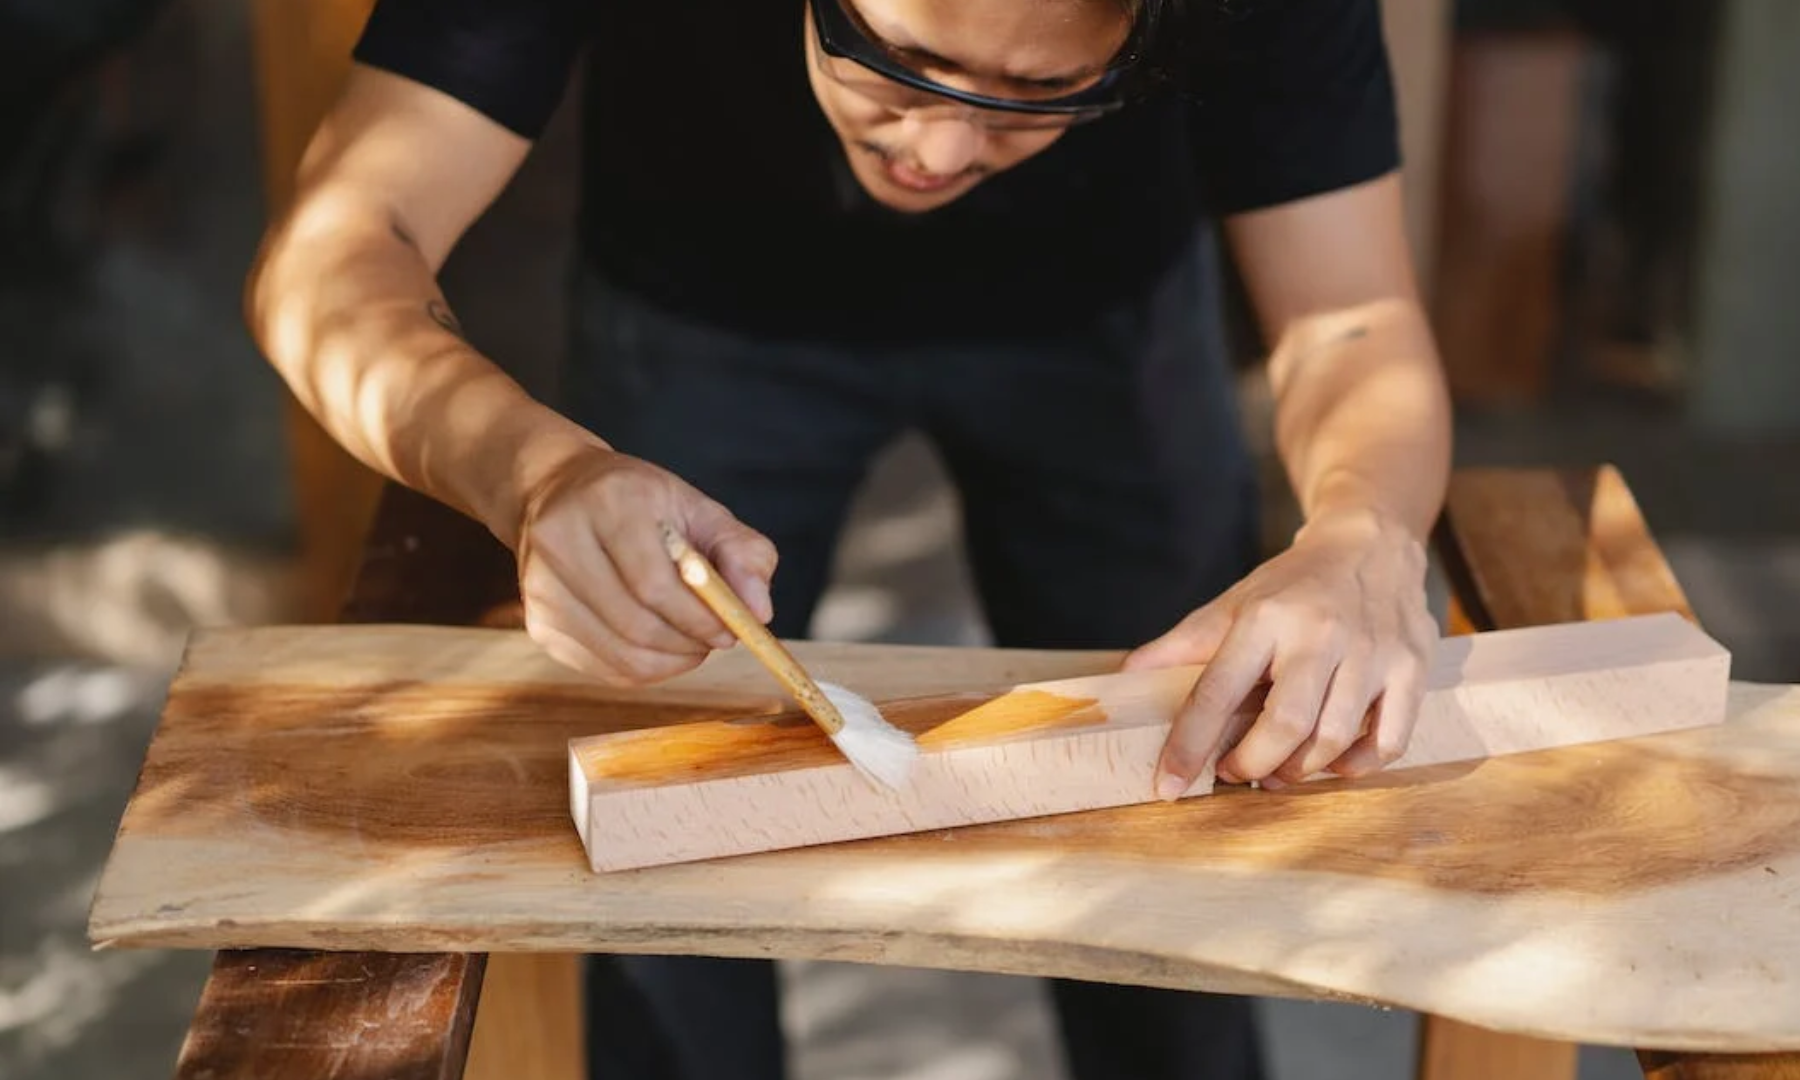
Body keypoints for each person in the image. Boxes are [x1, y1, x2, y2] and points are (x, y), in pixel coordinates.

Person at [244, 0, 1452, 1076]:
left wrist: (1367, 530)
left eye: (1042, 97)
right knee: (666, 840)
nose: (937, 151)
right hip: (701, 293)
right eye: (895, 61)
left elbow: (1351, 321)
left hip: (1105, 309)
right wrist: (536, 473)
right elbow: (333, 254)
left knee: (1187, 794)